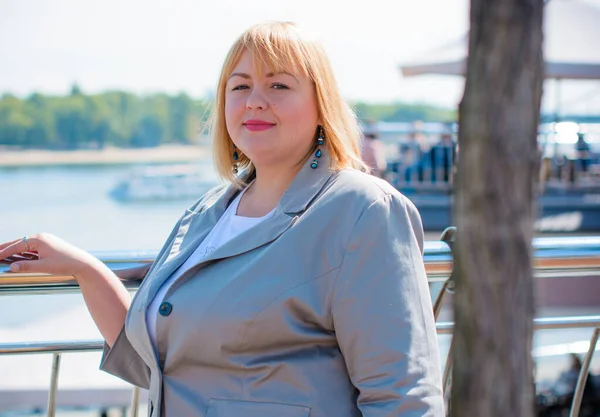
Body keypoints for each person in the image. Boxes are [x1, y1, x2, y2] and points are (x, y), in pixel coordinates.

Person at [0, 22, 444, 417]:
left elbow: (404, 398)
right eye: (240, 86)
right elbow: (156, 365)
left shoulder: (362, 210)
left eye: (279, 86)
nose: (255, 102)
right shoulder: (208, 213)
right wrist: (85, 268)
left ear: (321, 103)